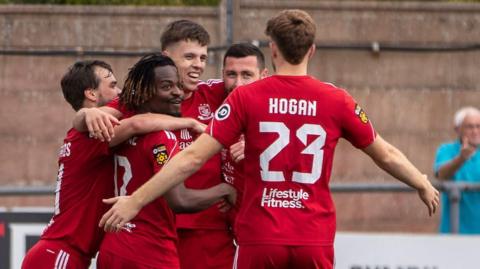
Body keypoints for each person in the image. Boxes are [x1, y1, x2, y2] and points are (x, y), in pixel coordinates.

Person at [100, 10, 439, 269]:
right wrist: (420, 181)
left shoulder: (247, 98)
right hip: (313, 236)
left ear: (272, 50)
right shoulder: (337, 99)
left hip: (261, 236)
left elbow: (190, 159)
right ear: (312, 50)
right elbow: (386, 153)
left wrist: (135, 200)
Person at [21, 60, 170, 268]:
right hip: (61, 252)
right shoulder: (93, 135)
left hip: (64, 253)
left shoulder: (86, 131)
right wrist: (195, 124)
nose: (118, 91)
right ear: (91, 94)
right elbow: (138, 123)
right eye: (112, 85)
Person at [96, 54, 235, 269]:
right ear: (145, 93)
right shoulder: (162, 137)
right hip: (149, 250)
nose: (178, 92)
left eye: (178, 85)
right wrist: (225, 190)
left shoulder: (119, 128)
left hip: (114, 245)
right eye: (167, 86)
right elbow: (180, 200)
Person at [220, 43, 268, 237]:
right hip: (229, 228)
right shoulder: (220, 108)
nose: (238, 83)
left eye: (247, 75)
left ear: (263, 76)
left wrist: (258, 147)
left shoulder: (276, 113)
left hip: (266, 230)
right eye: (231, 74)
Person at [434, 106, 480, 234]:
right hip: (454, 232)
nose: (475, 131)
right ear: (457, 129)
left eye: (478, 126)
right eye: (470, 127)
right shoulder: (446, 150)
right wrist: (461, 158)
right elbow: (441, 175)